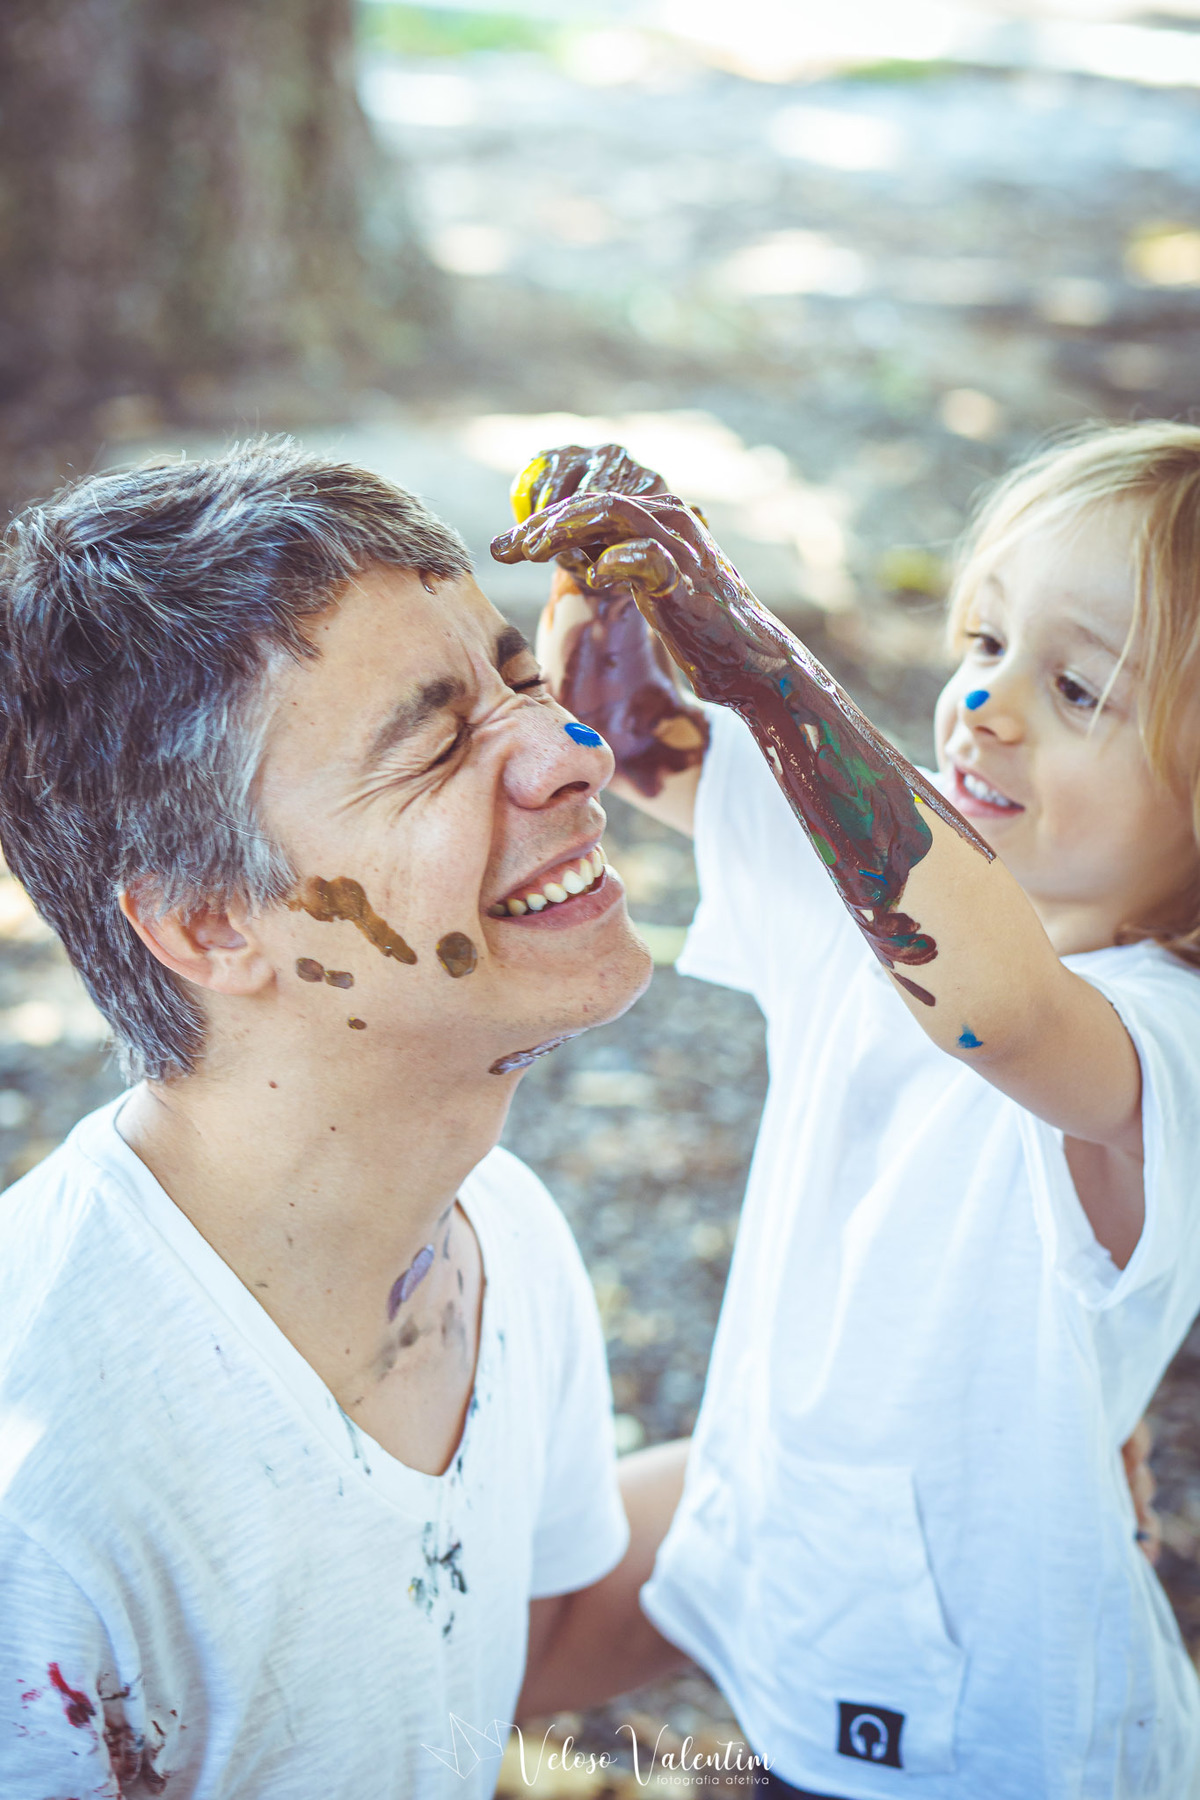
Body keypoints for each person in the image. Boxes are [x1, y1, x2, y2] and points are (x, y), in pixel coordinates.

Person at [494, 424, 1200, 1799]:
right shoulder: (871, 883)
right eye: (984, 643)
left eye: (1076, 688)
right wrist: (615, 574)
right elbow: (649, 750)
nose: (986, 706)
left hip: (988, 1726)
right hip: (805, 1562)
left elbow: (992, 1000)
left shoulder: (1160, 1041)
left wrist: (762, 655)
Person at [0, 439, 686, 1799]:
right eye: (435, 741)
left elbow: (526, 1631)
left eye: (519, 678)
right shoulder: (49, 1486)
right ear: (207, 921)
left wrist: (942, 1428)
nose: (571, 750)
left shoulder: (499, 1231)